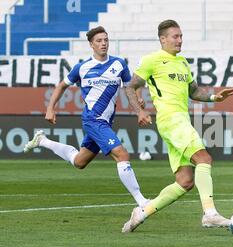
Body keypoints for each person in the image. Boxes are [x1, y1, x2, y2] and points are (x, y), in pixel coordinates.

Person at [122, 19, 233, 233]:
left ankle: (143, 212)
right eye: (175, 36)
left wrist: (214, 97)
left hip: (181, 120)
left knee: (185, 181)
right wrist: (140, 110)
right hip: (170, 119)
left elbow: (194, 92)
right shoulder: (152, 60)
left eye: (181, 36)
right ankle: (210, 214)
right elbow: (131, 86)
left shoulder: (183, 62)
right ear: (163, 39)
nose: (180, 40)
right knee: (204, 158)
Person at [23, 26, 149, 209]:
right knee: (122, 154)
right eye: (99, 41)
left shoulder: (119, 64)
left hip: (106, 121)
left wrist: (137, 101)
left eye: (106, 40)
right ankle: (142, 201)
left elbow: (130, 87)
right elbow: (61, 86)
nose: (103, 43)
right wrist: (50, 108)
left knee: (79, 161)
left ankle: (42, 141)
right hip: (93, 120)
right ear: (91, 44)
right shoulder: (81, 68)